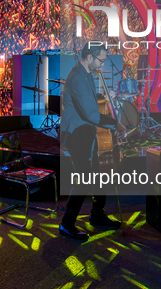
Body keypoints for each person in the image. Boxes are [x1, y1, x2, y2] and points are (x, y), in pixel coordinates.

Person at [59, 42, 127, 241]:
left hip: (87, 133)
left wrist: (102, 96)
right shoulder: (79, 77)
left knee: (98, 177)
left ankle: (97, 214)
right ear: (89, 57)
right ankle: (67, 224)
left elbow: (87, 101)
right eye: (101, 60)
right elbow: (90, 113)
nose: (103, 65)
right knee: (83, 180)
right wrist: (115, 124)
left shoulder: (86, 74)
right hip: (78, 134)